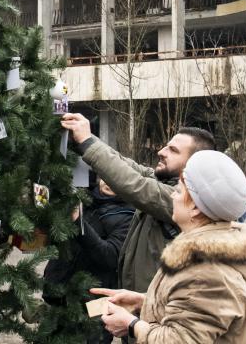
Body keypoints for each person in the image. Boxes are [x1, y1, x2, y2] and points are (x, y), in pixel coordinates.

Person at [94, 150, 246, 343]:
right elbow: (193, 308)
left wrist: (131, 325)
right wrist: (145, 302)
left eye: (179, 191)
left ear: (196, 208)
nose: (173, 195)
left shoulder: (205, 271)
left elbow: (180, 339)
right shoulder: (209, 255)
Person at [60, 113, 214, 294]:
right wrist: (84, 140)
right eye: (166, 146)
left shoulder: (184, 199)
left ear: (193, 164)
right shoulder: (164, 182)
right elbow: (126, 165)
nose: (161, 152)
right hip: (140, 302)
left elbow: (135, 184)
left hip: (155, 311)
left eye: (173, 150)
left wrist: (86, 142)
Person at [43, 178, 134, 344]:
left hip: (95, 303)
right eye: (106, 176)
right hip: (59, 291)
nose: (110, 182)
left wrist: (78, 221)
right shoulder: (81, 196)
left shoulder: (129, 216)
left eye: (116, 178)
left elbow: (109, 256)